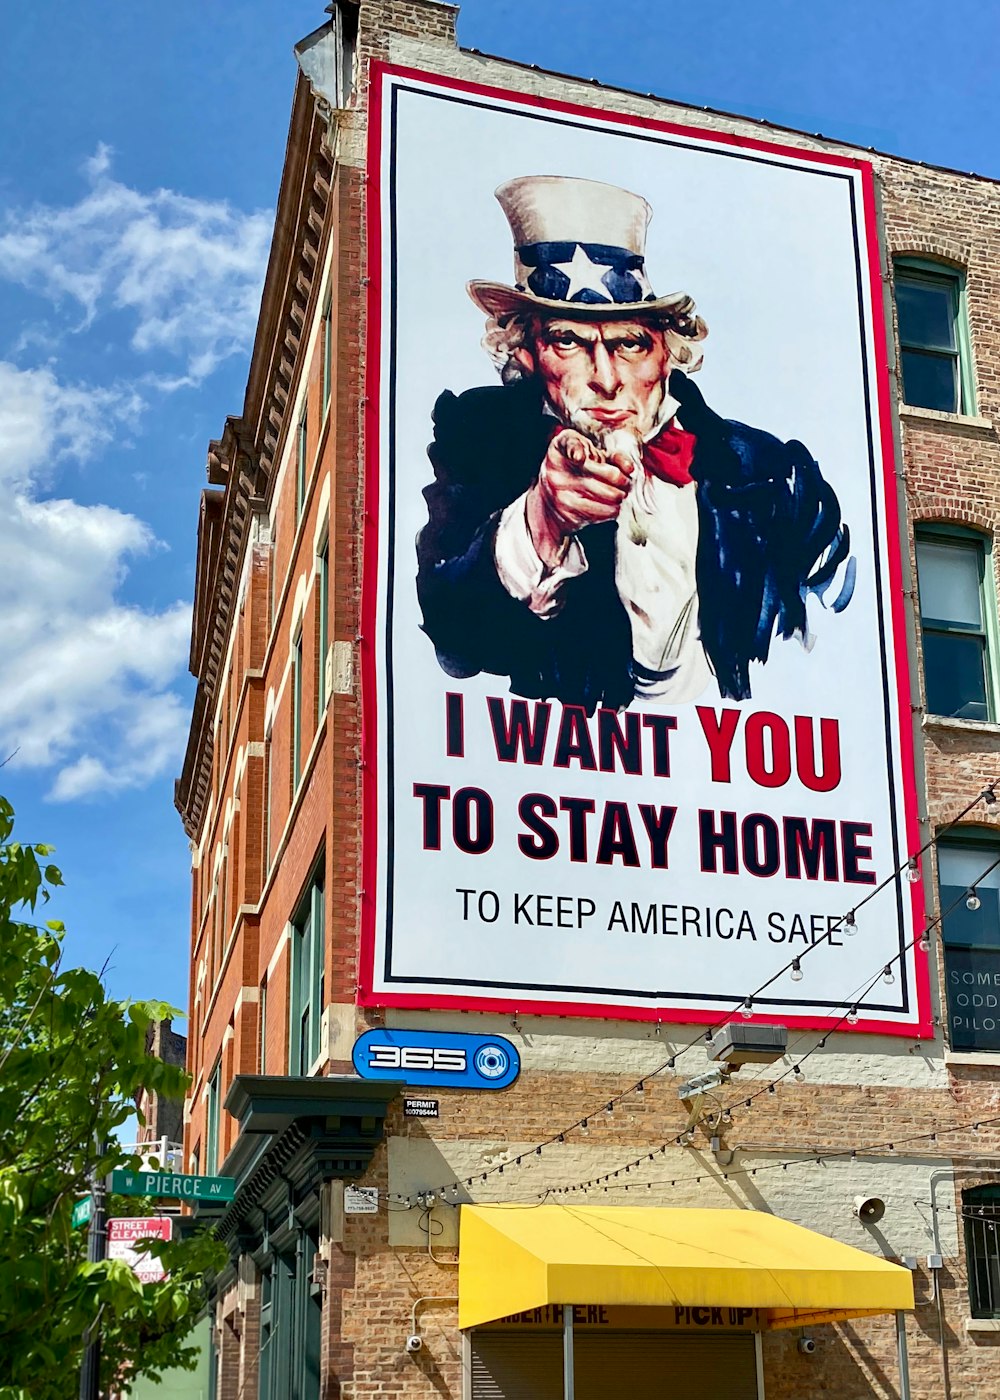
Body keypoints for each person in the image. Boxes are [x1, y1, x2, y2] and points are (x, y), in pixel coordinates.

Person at [416, 175, 855, 713]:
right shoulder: (476, 440)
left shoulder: (772, 474)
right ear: (526, 353)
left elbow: (834, 645)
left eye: (629, 343)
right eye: (568, 341)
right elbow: (451, 640)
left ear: (668, 353)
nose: (606, 377)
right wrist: (542, 521)